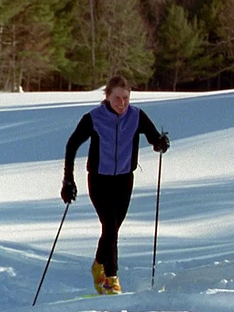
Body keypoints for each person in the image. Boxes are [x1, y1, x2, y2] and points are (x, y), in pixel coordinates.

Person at [60, 75, 170, 295]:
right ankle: (111, 279)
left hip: (124, 180)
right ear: (107, 97)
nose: (122, 103)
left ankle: (98, 264)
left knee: (112, 229)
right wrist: (68, 179)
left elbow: (153, 137)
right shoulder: (94, 118)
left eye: (126, 98)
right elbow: (72, 145)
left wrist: (160, 143)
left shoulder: (136, 116)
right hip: (99, 180)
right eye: (117, 98)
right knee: (110, 226)